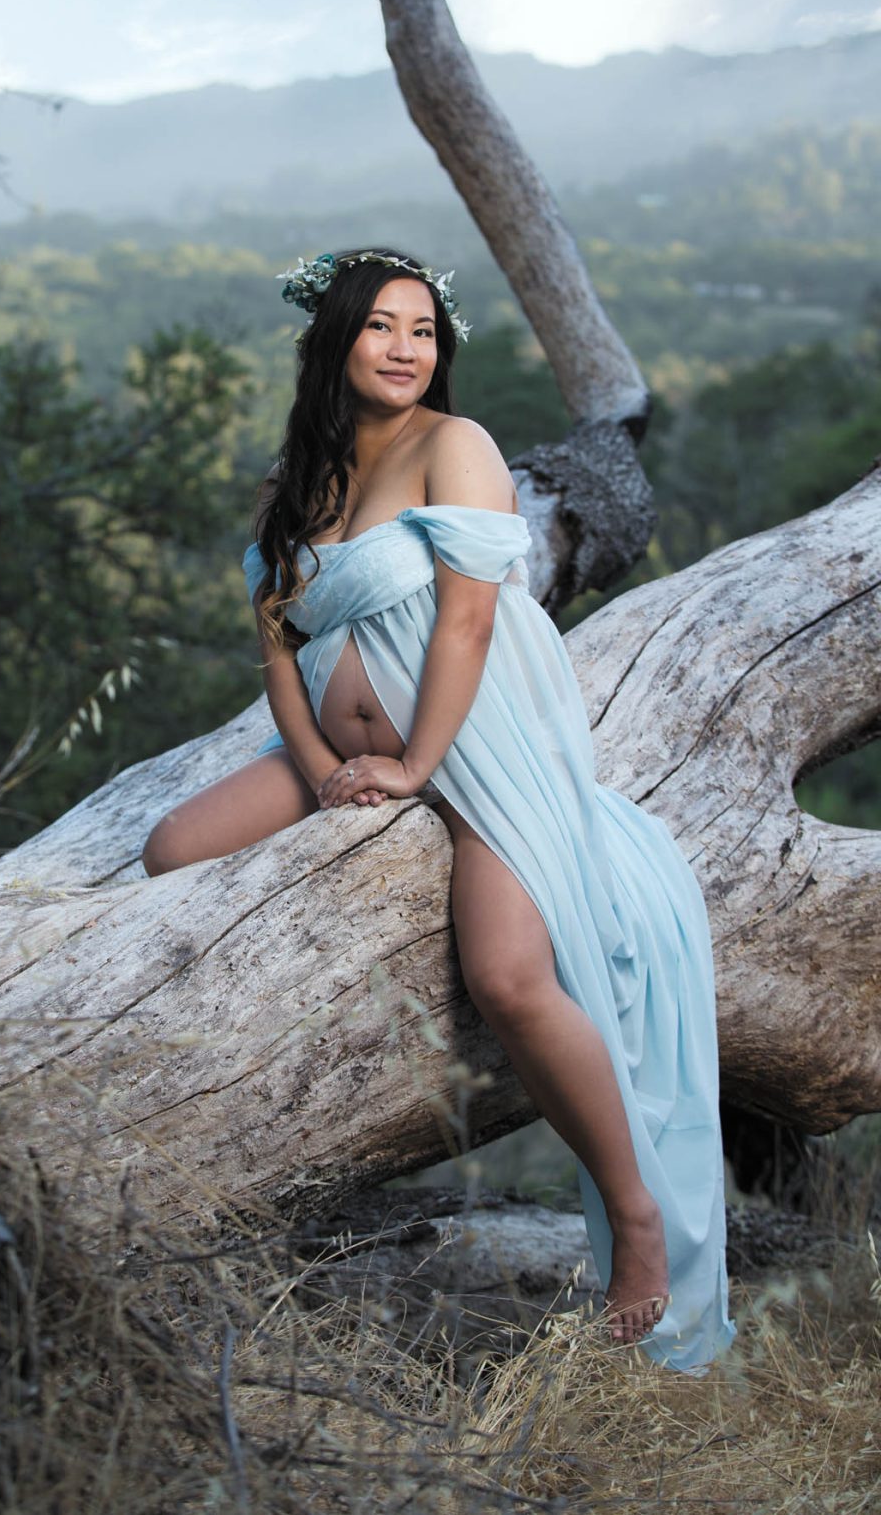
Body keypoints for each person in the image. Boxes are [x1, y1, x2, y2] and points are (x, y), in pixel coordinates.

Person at [142, 247, 735, 1370]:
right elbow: (279, 651)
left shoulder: (454, 448)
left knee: (510, 975)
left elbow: (465, 627)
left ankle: (638, 1212)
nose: (406, 348)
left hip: (481, 742)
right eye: (382, 326)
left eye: (424, 330)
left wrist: (416, 769)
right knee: (172, 849)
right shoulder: (292, 487)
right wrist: (322, 768)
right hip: (344, 749)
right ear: (335, 340)